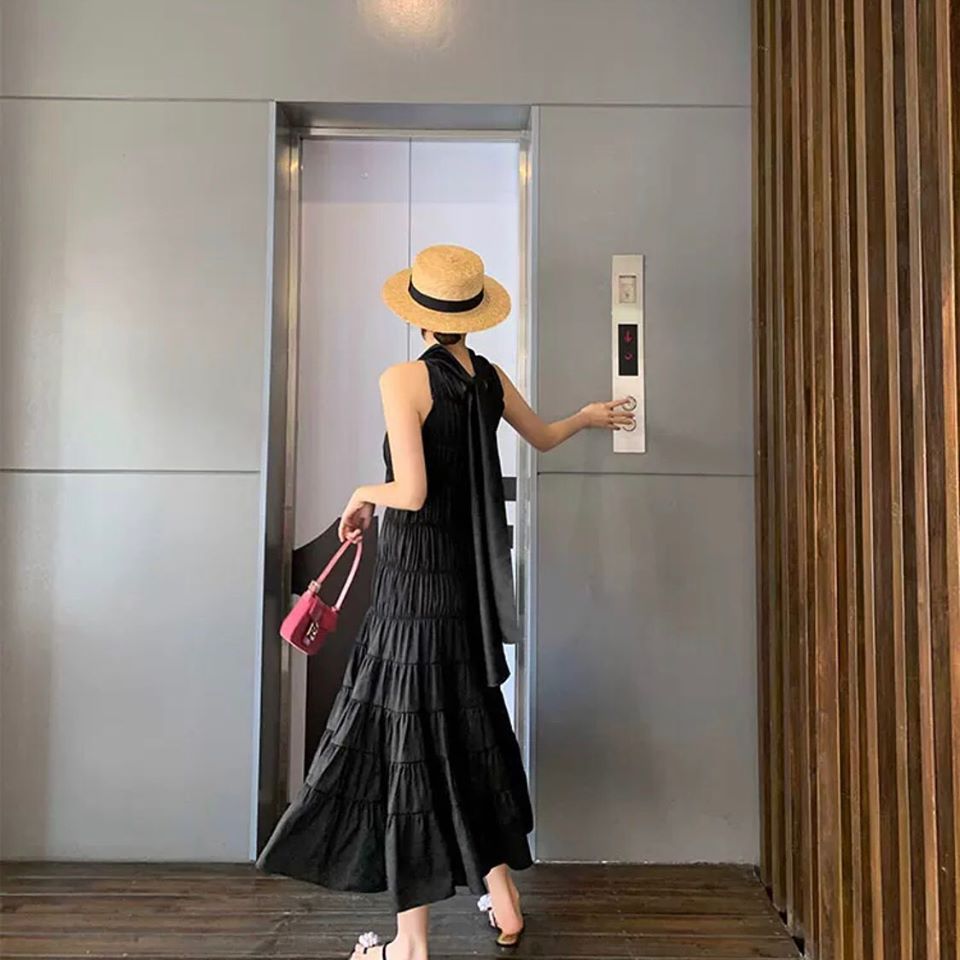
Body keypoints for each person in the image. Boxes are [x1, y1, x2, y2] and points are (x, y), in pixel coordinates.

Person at [256, 244, 635, 960]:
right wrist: (586, 416)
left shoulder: (403, 378)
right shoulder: (487, 378)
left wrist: (360, 493)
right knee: (463, 731)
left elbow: (411, 492)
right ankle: (506, 902)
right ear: (472, 315)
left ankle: (410, 943)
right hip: (462, 590)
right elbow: (543, 437)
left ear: (419, 314)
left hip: (411, 588)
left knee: (408, 742)